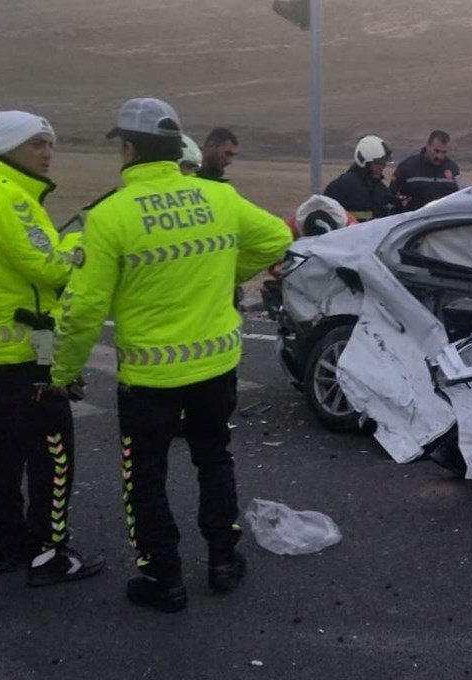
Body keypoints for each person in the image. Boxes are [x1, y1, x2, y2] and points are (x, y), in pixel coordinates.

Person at [50, 98, 291, 612]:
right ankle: (224, 560)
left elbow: (84, 307)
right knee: (214, 460)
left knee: (146, 476)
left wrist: (65, 371)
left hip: (150, 379)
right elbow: (275, 236)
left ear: (129, 148)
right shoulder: (216, 198)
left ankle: (164, 578)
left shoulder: (110, 214)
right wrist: (225, 274)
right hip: (217, 366)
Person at [0, 110, 104, 585]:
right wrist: (82, 238)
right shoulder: (9, 197)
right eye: (37, 143)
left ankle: (10, 544)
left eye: (50, 144)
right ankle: (48, 553)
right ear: (10, 146)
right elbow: (51, 268)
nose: (47, 154)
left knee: (7, 447)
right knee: (53, 451)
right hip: (24, 347)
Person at [322, 135, 396, 222]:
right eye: (377, 164)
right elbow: (325, 214)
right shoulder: (342, 186)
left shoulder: (381, 189)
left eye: (384, 164)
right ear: (364, 162)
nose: (382, 167)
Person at [390, 130, 461, 212]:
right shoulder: (408, 167)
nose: (440, 156)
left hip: (443, 219)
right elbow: (392, 196)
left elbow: (459, 197)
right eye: (436, 151)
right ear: (427, 145)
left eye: (444, 152)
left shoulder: (453, 169)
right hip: (415, 220)